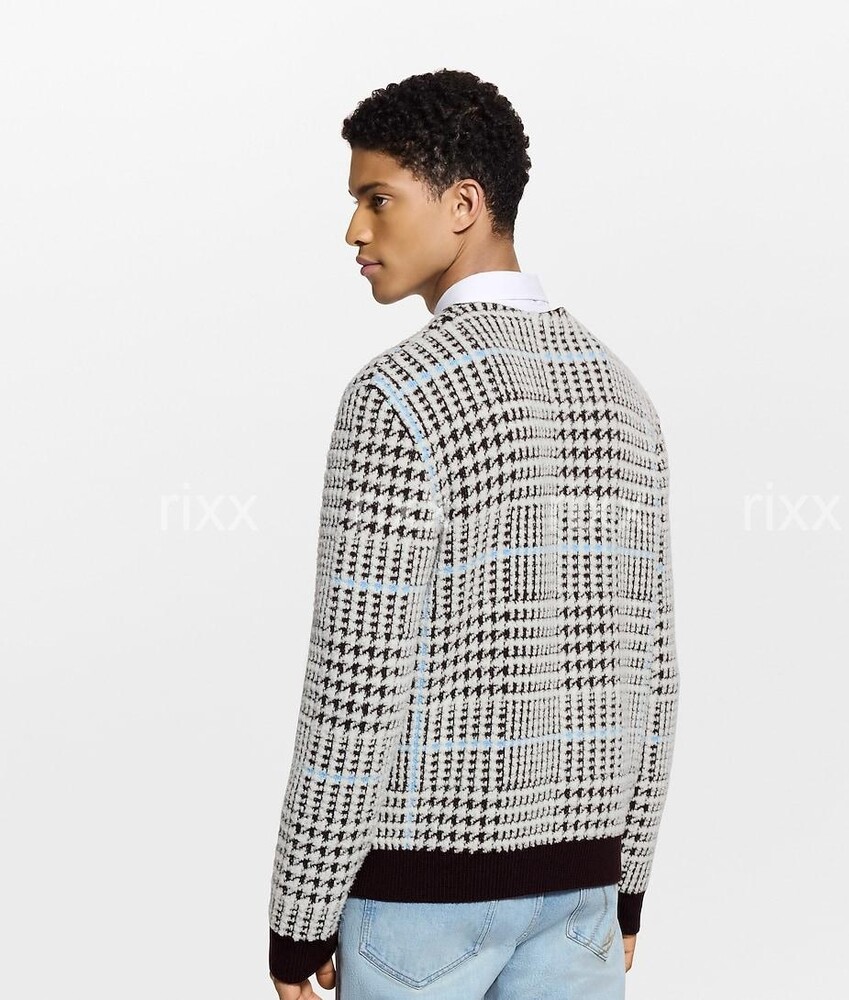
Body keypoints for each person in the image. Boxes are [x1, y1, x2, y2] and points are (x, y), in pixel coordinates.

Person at [267, 68, 680, 999]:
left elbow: (355, 680)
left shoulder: (398, 396)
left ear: (463, 205)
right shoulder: (622, 394)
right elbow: (654, 670)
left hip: (422, 897)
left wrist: (299, 915)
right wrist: (629, 883)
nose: (354, 230)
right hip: (580, 890)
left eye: (377, 198)